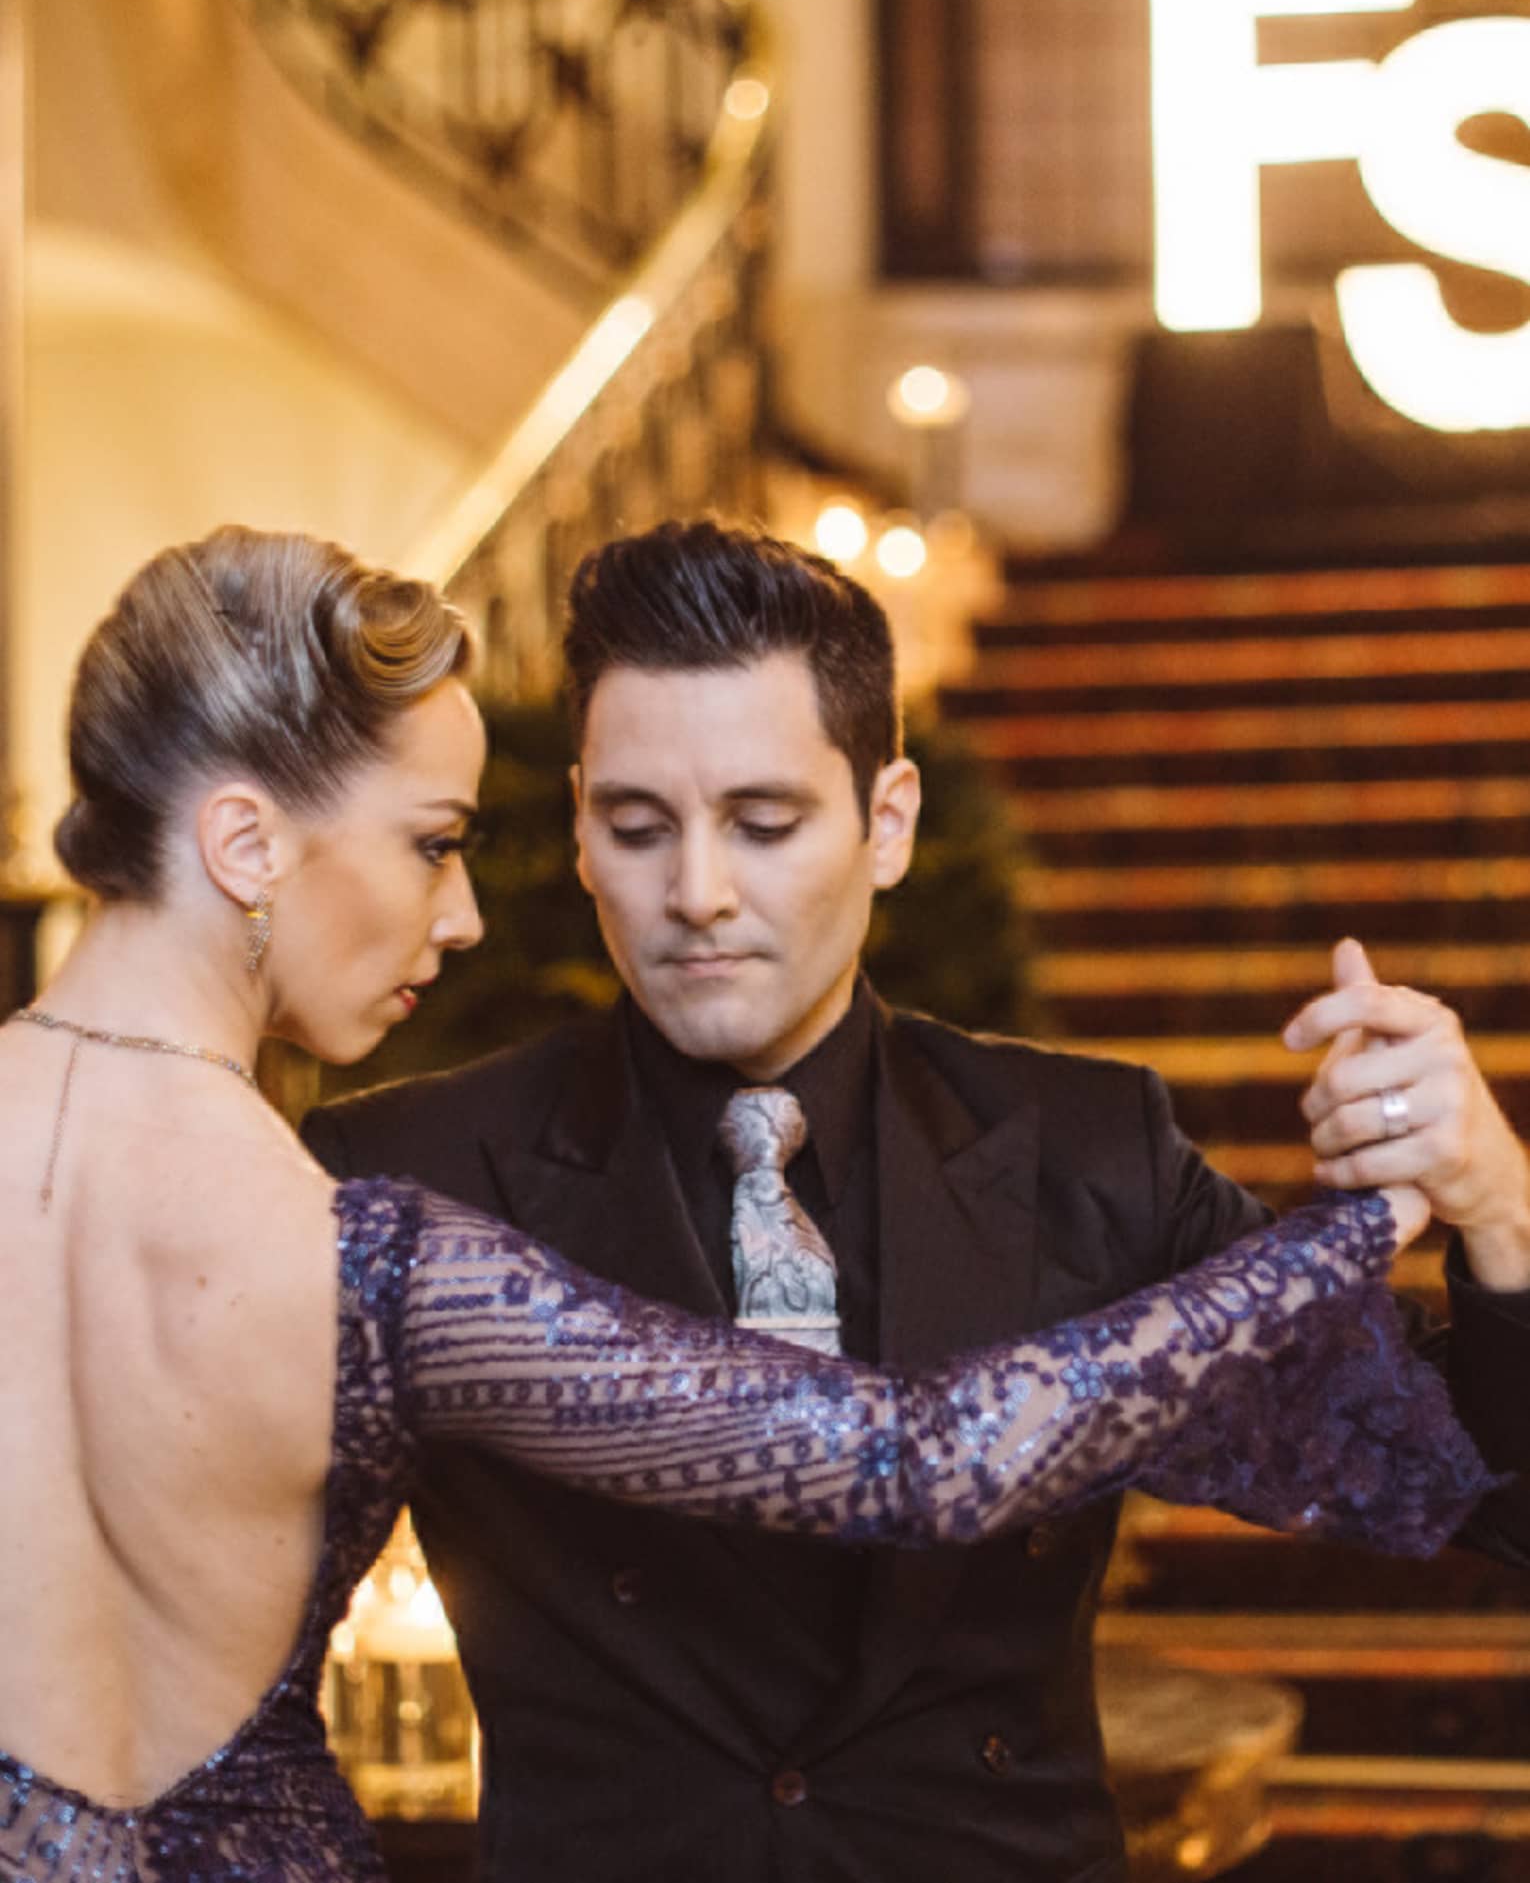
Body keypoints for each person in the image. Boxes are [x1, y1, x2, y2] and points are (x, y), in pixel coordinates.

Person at [0, 526, 1488, 1883]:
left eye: (764, 821)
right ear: (578, 827)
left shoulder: (1085, 1147)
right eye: (641, 827)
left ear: (886, 820)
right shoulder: (396, 1173)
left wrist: (1489, 1191)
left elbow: (1463, 1476)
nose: (698, 889)